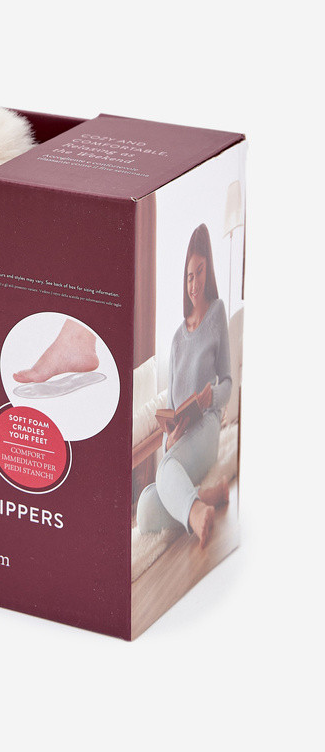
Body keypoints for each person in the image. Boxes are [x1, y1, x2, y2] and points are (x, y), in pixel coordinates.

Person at [136, 224, 232, 548]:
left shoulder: (217, 313)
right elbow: (172, 408)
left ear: (208, 270)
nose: (194, 283)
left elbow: (228, 382)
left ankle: (196, 512)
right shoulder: (177, 338)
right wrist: (169, 439)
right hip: (181, 439)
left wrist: (211, 397)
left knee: (166, 469)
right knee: (145, 510)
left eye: (200, 272)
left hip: (206, 428)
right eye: (189, 276)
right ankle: (205, 499)